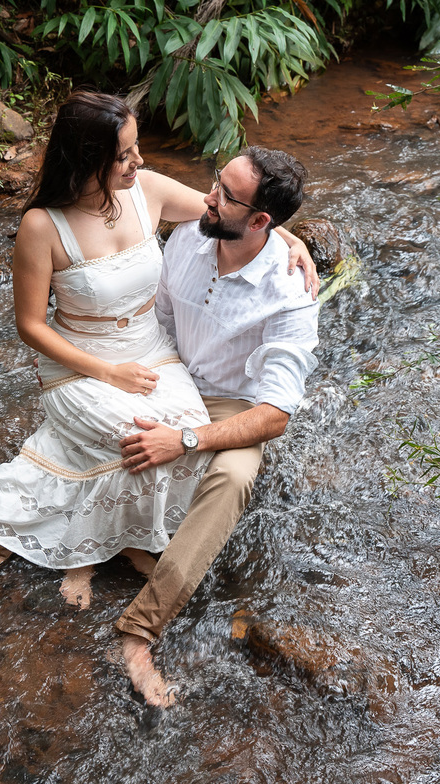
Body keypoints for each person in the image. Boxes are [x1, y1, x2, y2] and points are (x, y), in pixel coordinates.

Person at [0, 91, 318, 705]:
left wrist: (289, 239)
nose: (140, 163)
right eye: (126, 155)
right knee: (135, 437)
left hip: (156, 360)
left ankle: (92, 562)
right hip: (85, 366)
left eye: (137, 150)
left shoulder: (155, 194)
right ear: (86, 157)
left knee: (173, 442)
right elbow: (31, 325)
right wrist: (106, 372)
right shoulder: (42, 226)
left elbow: (245, 221)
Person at [113, 145, 320, 706]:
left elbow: (275, 414)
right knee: (101, 412)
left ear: (260, 221)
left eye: (226, 194)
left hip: (234, 404)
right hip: (168, 374)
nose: (208, 196)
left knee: (231, 478)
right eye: (215, 182)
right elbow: (157, 319)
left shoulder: (290, 293)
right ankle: (112, 544)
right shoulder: (191, 234)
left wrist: (185, 439)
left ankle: (139, 632)